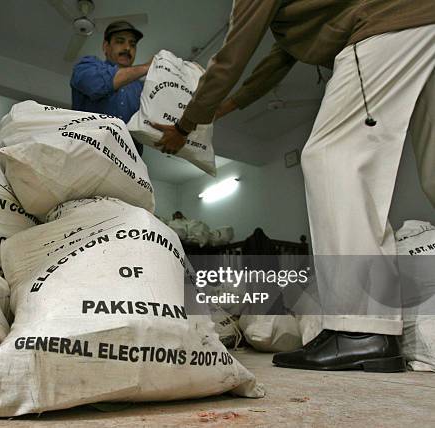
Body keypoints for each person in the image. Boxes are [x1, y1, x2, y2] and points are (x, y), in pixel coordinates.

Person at [154, 0, 435, 372]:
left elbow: (233, 56)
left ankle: (360, 329)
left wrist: (186, 126)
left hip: (385, 27)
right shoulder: (300, 20)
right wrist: (220, 110)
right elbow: (272, 66)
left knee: (330, 156)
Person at [70, 20, 151, 155]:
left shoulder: (142, 88)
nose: (127, 48)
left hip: (128, 162)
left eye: (133, 44)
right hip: (87, 154)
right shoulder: (87, 66)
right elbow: (96, 85)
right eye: (120, 41)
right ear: (106, 46)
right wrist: (147, 67)